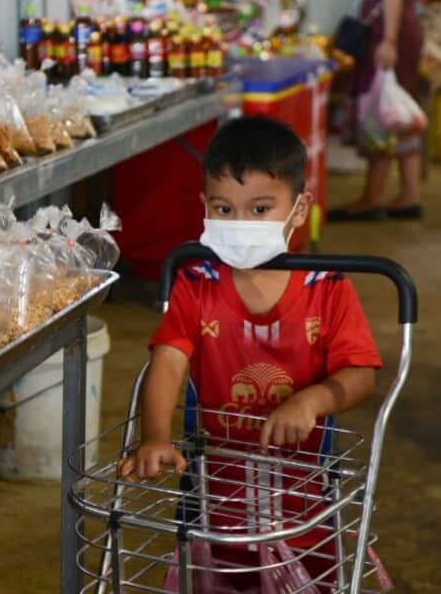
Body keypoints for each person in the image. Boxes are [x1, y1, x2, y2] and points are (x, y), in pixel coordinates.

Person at [118, 117, 382, 587]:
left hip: (305, 499)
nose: (241, 224)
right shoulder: (197, 284)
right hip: (218, 496)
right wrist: (155, 435)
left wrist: (312, 400)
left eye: (260, 209)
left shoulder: (328, 290)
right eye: (224, 208)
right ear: (203, 208)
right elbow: (168, 359)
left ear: (299, 210)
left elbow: (360, 373)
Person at [331, 0, 427, 222]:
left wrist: (388, 40)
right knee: (398, 108)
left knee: (381, 112)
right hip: (400, 19)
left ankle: (372, 199)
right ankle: (409, 195)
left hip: (388, 23)